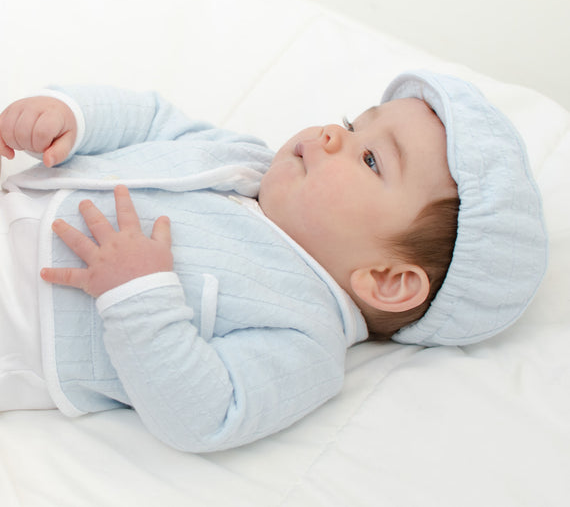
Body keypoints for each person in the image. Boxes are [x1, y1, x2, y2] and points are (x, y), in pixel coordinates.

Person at [0, 70, 547, 452]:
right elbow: (152, 119)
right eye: (354, 123)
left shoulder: (304, 340)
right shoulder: (244, 160)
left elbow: (206, 415)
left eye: (371, 158)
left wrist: (139, 296)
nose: (333, 133)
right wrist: (72, 114)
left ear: (387, 280)